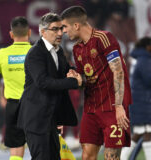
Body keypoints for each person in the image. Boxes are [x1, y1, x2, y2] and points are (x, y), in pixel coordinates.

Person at [61, 6, 132, 160]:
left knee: (111, 157)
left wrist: (119, 106)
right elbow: (85, 79)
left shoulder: (104, 38)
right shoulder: (77, 49)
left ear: (76, 25)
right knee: (86, 156)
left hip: (112, 108)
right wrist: (77, 80)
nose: (63, 31)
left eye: (65, 27)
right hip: (91, 109)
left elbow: (118, 71)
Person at [17, 12, 82, 160]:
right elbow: (43, 82)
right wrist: (74, 82)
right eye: (55, 29)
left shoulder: (58, 51)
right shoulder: (35, 53)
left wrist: (76, 74)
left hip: (50, 119)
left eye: (61, 28)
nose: (60, 33)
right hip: (36, 119)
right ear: (43, 32)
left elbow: (66, 71)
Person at [0, 16, 32, 160]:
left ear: (11, 34)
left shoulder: (1, 54)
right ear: (29, 32)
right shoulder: (37, 52)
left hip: (13, 106)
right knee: (39, 145)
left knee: (16, 148)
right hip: (34, 104)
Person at [121, 37, 151, 160]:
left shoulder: (140, 59)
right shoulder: (144, 60)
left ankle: (122, 158)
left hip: (139, 101)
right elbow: (149, 80)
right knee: (147, 133)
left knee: (139, 134)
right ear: (147, 46)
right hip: (142, 102)